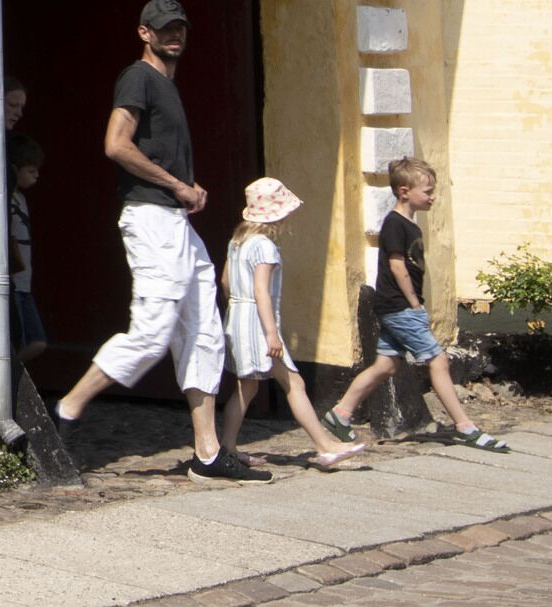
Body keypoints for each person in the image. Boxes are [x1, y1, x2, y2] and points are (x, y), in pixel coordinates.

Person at [40, 0, 259, 480]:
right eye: (164, 29)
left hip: (175, 222)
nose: (174, 36)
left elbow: (162, 157)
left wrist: (187, 187)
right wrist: (176, 185)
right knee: (154, 331)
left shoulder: (167, 85)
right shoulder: (137, 78)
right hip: (150, 218)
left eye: (180, 28)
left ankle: (208, 454)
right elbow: (115, 144)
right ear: (144, 32)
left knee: (203, 329)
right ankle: (66, 412)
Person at [325, 158, 512, 450]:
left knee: (385, 366)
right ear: (404, 191)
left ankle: (340, 414)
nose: (432, 196)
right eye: (427, 191)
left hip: (395, 307)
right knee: (438, 360)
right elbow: (397, 266)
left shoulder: (409, 225)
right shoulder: (395, 224)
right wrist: (414, 303)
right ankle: (466, 426)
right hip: (400, 306)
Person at [216, 177, 366, 469]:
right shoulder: (265, 247)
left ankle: (228, 448)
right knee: (294, 383)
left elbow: (224, 281)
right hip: (260, 325)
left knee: (246, 388)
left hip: (239, 319)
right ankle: (325, 446)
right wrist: (271, 334)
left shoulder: (237, 242)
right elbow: (262, 291)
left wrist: (236, 312)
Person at [5, 134, 48, 382]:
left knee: (37, 341)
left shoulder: (20, 198)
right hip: (15, 283)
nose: (36, 176)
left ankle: (10, 374)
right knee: (24, 337)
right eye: (31, 170)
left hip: (24, 283)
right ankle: (8, 377)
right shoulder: (8, 199)